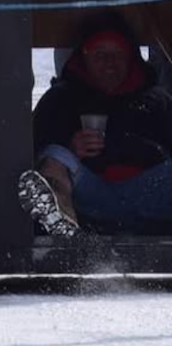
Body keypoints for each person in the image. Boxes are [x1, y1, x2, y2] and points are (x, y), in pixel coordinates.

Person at [18, 13, 172, 237]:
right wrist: (72, 149)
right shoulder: (59, 100)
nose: (109, 63)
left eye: (117, 54)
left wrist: (150, 151)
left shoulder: (158, 101)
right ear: (83, 57)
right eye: (100, 54)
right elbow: (32, 162)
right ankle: (64, 230)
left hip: (148, 195)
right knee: (54, 155)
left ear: (131, 57)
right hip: (89, 199)